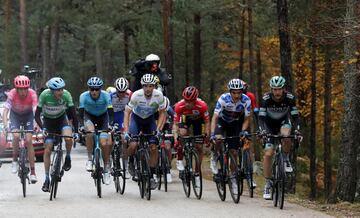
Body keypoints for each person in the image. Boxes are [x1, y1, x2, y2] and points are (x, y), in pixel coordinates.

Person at [258, 75, 300, 200]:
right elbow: (260, 118)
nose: (277, 92)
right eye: (274, 89)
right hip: (269, 125)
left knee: (286, 136)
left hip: (283, 122)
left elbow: (295, 116)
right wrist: (262, 131)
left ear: (283, 89)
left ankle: (286, 159)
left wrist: (297, 130)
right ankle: (268, 183)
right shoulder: (266, 99)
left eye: (279, 89)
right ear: (271, 89)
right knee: (268, 154)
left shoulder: (289, 98)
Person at [123, 74, 166, 190]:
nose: (148, 89)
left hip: (149, 120)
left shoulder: (158, 95)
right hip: (136, 120)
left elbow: (162, 112)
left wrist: (158, 129)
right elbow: (127, 112)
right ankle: (131, 161)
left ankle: (151, 175)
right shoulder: (136, 95)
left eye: (150, 86)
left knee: (153, 147)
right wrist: (126, 131)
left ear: (154, 86)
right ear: (142, 86)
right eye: (146, 86)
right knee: (133, 144)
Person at [35, 77, 78, 192]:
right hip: (48, 122)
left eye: (62, 89)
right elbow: (37, 115)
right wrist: (43, 128)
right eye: (58, 90)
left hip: (61, 120)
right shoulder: (44, 95)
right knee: (48, 148)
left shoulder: (66, 95)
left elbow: (73, 115)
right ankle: (46, 178)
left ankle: (68, 157)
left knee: (68, 138)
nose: (61, 92)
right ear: (51, 90)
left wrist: (77, 131)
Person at [210, 79, 251, 194]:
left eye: (239, 92)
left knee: (234, 152)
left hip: (234, 125)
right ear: (230, 92)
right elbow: (215, 117)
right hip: (222, 123)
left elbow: (247, 119)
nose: (237, 95)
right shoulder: (223, 99)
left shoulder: (246, 100)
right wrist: (213, 134)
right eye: (234, 92)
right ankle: (214, 155)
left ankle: (233, 178)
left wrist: (243, 131)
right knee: (218, 139)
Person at [172, 86, 210, 188]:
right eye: (186, 101)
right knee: (183, 134)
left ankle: (197, 172)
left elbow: (207, 122)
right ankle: (180, 157)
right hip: (186, 119)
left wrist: (206, 136)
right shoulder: (179, 106)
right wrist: (176, 139)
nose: (188, 104)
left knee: (199, 147)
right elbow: (175, 124)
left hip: (198, 121)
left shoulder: (202, 106)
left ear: (196, 99)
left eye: (191, 101)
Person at [2, 75, 38, 183]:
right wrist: (5, 125)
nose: (23, 92)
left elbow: (36, 110)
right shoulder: (12, 93)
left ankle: (33, 172)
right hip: (15, 116)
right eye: (20, 89)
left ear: (28, 88)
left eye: (25, 89)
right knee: (16, 135)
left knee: (28, 140)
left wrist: (36, 124)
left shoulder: (32, 94)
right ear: (16, 89)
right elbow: (5, 111)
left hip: (28, 116)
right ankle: (14, 160)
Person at [79, 77, 113, 185]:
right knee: (90, 133)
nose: (94, 92)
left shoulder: (106, 96)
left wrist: (110, 125)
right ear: (89, 89)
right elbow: (80, 113)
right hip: (89, 116)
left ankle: (107, 168)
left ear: (100, 89)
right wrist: (81, 126)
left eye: (97, 89)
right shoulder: (83, 96)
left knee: (104, 143)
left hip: (103, 117)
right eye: (92, 89)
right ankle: (89, 159)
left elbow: (110, 112)